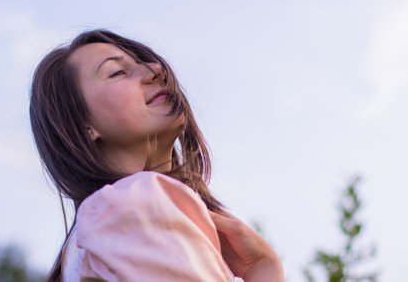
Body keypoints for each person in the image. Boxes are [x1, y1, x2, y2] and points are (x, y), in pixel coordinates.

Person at [29, 29, 284, 281]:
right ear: (83, 126)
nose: (156, 69)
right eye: (117, 72)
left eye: (143, 62)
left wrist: (262, 267)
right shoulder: (134, 205)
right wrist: (264, 269)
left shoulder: (92, 239)